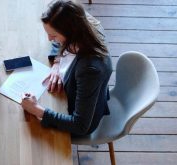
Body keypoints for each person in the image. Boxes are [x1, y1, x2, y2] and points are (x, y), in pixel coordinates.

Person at [21, 0, 113, 136]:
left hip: (79, 118)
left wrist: (37, 109)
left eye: (54, 36)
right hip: (76, 91)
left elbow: (80, 125)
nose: (49, 39)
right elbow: (60, 42)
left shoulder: (89, 70)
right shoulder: (81, 21)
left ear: (71, 32)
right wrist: (58, 62)